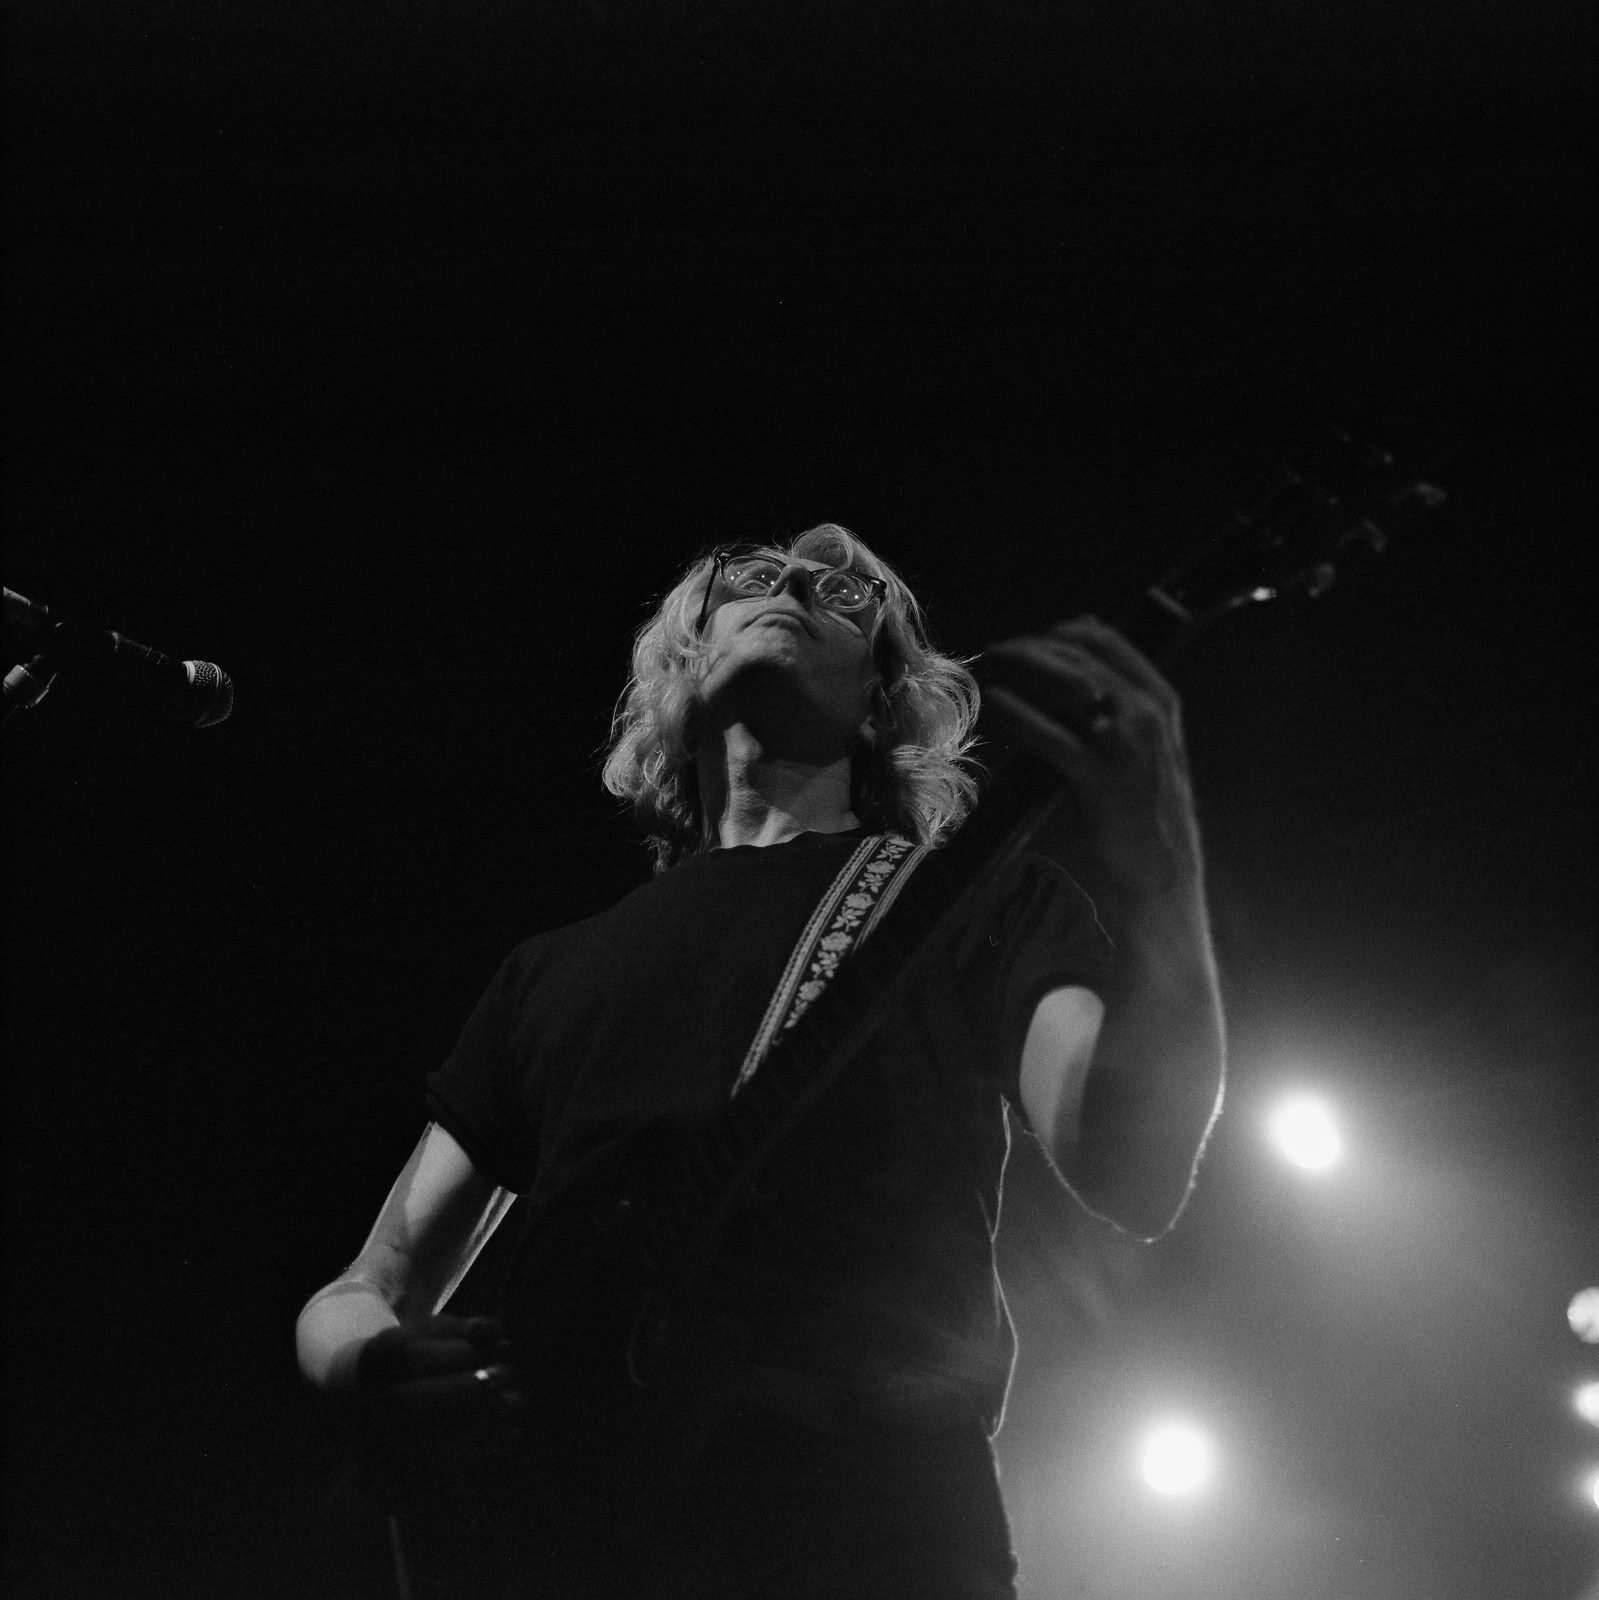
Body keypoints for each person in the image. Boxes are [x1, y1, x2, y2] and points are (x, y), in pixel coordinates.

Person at [296, 522, 1225, 1599]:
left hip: (860, 1520)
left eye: (842, 594)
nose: (792, 583)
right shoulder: (549, 970)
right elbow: (372, 1284)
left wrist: (1157, 843)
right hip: (558, 1541)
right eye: (750, 578)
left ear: (879, 702)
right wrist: (369, 1364)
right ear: (684, 668)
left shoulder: (975, 897)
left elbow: (1134, 1170)